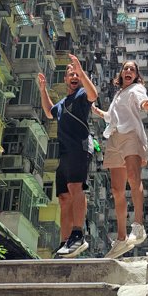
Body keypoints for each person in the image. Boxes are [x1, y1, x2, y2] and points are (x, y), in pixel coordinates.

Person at [92, 60, 148, 259]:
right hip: (114, 138)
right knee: (116, 190)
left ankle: (138, 226)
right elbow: (112, 117)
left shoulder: (137, 89)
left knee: (133, 177)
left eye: (132, 69)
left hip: (131, 135)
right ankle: (121, 238)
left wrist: (146, 105)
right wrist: (98, 112)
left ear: (136, 75)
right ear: (121, 74)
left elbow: (141, 102)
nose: (128, 71)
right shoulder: (118, 94)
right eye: (125, 68)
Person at [38, 55, 98, 258]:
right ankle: (64, 242)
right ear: (65, 79)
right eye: (70, 74)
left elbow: (94, 94)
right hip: (63, 152)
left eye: (77, 74)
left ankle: (78, 234)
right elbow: (48, 112)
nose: (74, 76)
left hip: (78, 148)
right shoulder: (63, 102)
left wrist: (82, 71)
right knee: (63, 197)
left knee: (75, 188)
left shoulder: (82, 95)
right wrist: (42, 89)